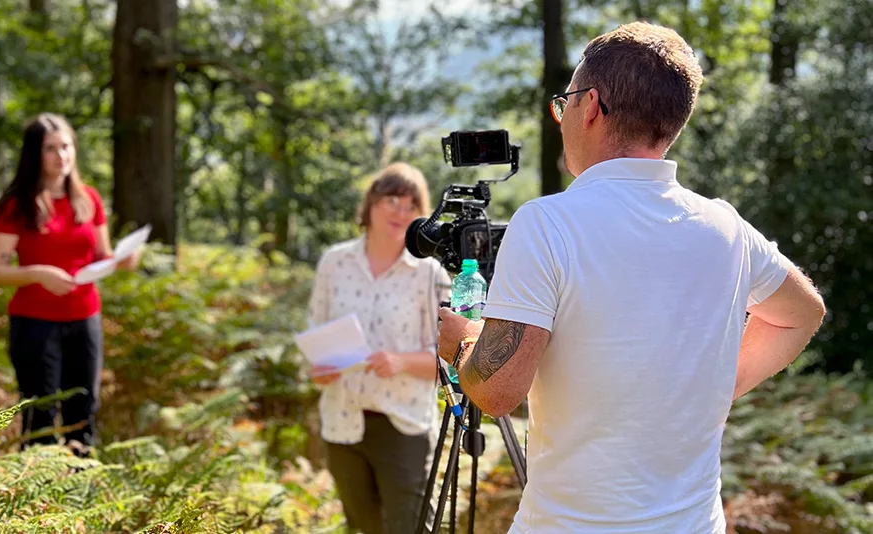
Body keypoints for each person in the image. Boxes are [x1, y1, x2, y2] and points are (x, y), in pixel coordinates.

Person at [436, 22, 826, 534]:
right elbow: (802, 313)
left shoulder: (548, 223)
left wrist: (462, 343)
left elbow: (496, 391)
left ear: (590, 106)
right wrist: (716, 385)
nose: (562, 118)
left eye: (564, 103)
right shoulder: (726, 227)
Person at [307, 162, 450, 534]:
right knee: (363, 528)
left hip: (404, 426)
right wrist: (317, 370)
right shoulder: (334, 262)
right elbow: (314, 334)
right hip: (342, 422)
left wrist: (401, 361)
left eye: (411, 205)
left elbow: (451, 360)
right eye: (392, 200)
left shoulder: (431, 274)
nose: (401, 212)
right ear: (371, 203)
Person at [0, 113, 140, 456]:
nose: (61, 156)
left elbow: (101, 255)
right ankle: (36, 488)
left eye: (66, 146)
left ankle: (80, 485)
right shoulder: (16, 205)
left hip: (85, 320)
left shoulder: (89, 199)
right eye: (50, 149)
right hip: (34, 324)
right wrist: (38, 273)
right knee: (39, 416)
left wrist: (122, 260)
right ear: (34, 154)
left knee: (83, 415)